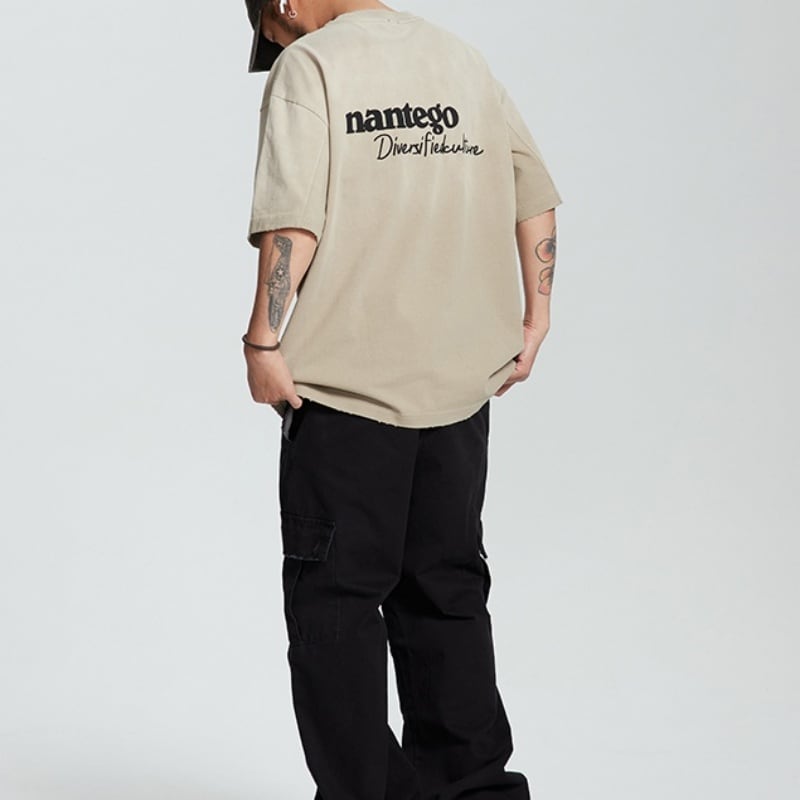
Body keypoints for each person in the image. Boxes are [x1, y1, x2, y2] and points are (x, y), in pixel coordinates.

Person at [241, 2, 563, 798]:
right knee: (446, 594)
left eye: (273, 32)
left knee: (336, 611)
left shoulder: (310, 66)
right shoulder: (460, 58)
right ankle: (476, 790)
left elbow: (293, 224)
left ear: (282, 4)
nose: (282, 42)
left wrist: (263, 341)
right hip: (458, 390)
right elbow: (533, 194)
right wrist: (536, 317)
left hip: (348, 394)